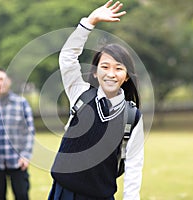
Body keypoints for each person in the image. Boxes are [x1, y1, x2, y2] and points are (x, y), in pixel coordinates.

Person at [48, 1, 144, 199]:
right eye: (105, 66)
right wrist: (90, 21)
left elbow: (134, 164)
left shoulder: (132, 116)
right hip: (63, 192)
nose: (111, 73)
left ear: (126, 76)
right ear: (95, 71)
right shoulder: (80, 94)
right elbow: (67, 58)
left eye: (118, 68)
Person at [0, 68, 35, 200]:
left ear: (9, 81)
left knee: (22, 195)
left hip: (17, 160)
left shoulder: (21, 103)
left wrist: (26, 155)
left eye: (2, 79)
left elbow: (29, 132)